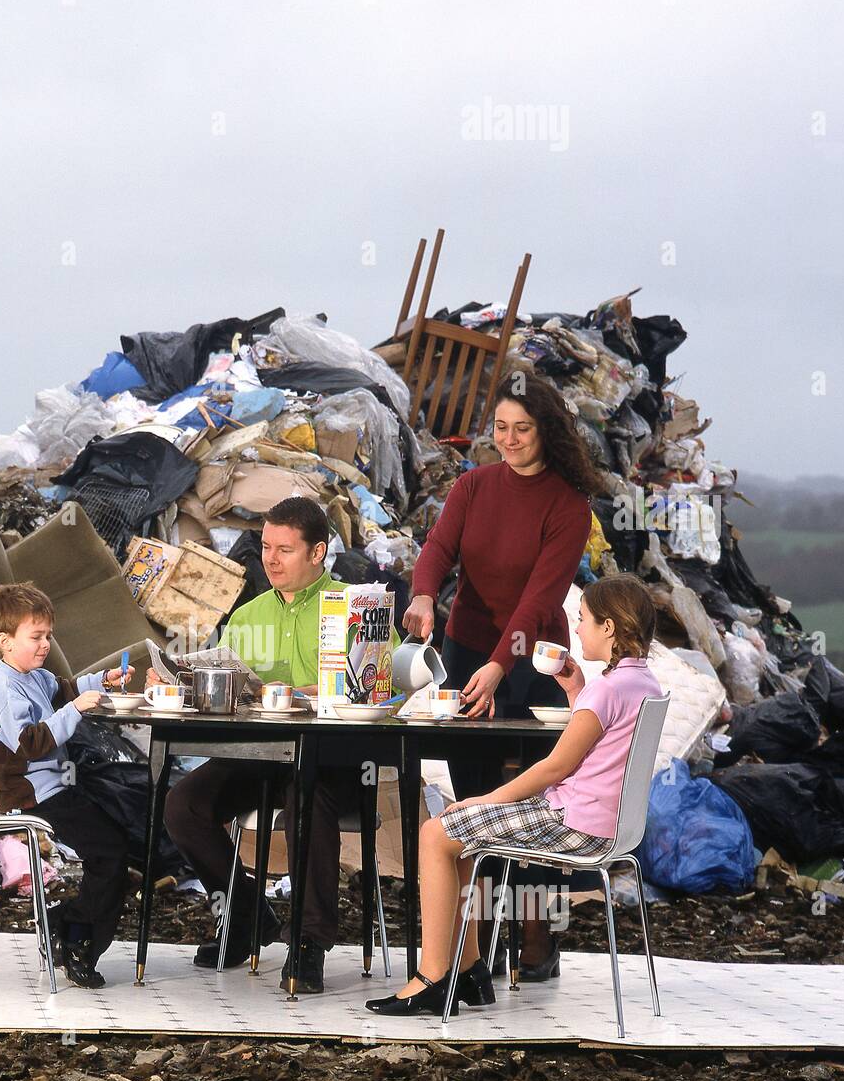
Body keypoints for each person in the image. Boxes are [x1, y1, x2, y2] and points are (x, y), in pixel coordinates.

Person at [366, 574, 660, 1016]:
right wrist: (576, 691)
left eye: (584, 620)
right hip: (609, 826)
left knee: (435, 832)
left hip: (571, 823)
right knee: (458, 840)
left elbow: (555, 767)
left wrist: (484, 800)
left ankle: (431, 977)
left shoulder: (608, 689)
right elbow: (604, 745)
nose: (577, 629)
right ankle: (468, 973)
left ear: (609, 629)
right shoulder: (643, 684)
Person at [402, 370, 605, 979]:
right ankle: (472, 951)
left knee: (535, 800)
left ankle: (539, 942)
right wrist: (420, 595)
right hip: (468, 650)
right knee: (474, 797)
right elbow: (438, 548)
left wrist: (500, 666)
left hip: (535, 663)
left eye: (522, 429)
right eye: (501, 429)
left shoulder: (569, 506)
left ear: (547, 432)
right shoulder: (474, 485)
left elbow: (540, 601)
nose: (510, 439)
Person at [160, 496, 382, 995]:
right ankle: (246, 916)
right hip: (260, 753)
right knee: (184, 803)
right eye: (265, 546)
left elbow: (372, 691)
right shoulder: (247, 615)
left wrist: (302, 693)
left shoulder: (357, 608)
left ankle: (309, 942)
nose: (271, 559)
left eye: (285, 549)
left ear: (318, 552)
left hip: (333, 760)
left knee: (306, 799)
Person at [0, 581, 135, 989]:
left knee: (118, 844)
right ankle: (74, 933)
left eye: (48, 635)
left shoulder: (32, 675)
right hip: (25, 794)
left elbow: (65, 688)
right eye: (36, 637)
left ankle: (69, 925)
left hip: (48, 786)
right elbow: (31, 743)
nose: (45, 644)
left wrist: (104, 681)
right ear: (5, 641)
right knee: (111, 854)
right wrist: (77, 711)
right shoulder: (6, 689)